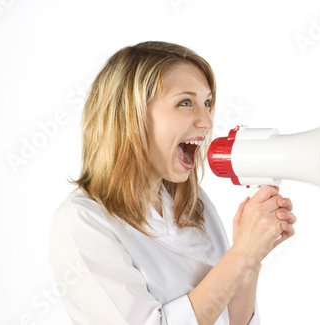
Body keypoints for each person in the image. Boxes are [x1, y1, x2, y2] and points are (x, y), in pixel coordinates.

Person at [48, 41, 296, 324]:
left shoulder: (194, 204)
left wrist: (251, 261)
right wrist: (240, 255)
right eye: (185, 103)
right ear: (131, 116)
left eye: (207, 103)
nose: (206, 121)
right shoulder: (82, 223)